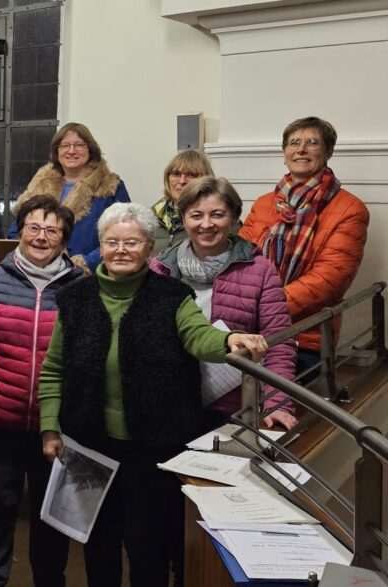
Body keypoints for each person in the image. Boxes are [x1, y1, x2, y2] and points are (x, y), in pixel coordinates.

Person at [37, 203, 269, 587]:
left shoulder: (171, 295)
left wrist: (229, 340)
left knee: (149, 548)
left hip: (153, 448)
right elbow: (54, 369)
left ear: (149, 247)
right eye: (112, 242)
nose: (121, 250)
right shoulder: (75, 298)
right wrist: (49, 427)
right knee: (98, 543)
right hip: (90, 444)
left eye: (132, 241)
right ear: (101, 246)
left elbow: (199, 335)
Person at [0, 195, 82, 587]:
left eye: (52, 230)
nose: (41, 236)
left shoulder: (80, 288)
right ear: (19, 232)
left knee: (50, 518)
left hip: (55, 428)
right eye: (33, 227)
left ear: (65, 239)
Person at [150, 176, 298, 430]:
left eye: (217, 215)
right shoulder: (161, 267)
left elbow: (278, 343)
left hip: (234, 407)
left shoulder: (260, 270)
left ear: (233, 217)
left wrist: (278, 403)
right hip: (169, 402)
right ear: (183, 218)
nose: (206, 224)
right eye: (196, 215)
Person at [238, 116, 370, 380]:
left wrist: (265, 308)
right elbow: (240, 259)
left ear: (328, 151)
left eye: (312, 142)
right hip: (246, 325)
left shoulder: (350, 209)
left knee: (255, 389)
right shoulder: (264, 203)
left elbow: (329, 279)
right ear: (284, 153)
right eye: (294, 142)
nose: (301, 149)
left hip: (304, 337)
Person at [14, 122, 131, 270]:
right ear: (56, 151)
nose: (71, 151)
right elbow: (16, 230)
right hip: (37, 271)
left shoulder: (111, 186)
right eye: (64, 145)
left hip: (90, 276)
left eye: (79, 145)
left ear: (91, 149)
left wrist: (85, 263)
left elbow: (124, 235)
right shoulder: (39, 184)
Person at [152, 149, 214, 253]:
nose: (182, 181)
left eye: (192, 175)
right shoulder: (151, 216)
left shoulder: (218, 217)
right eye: (176, 174)